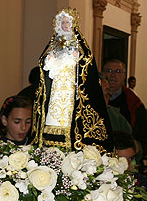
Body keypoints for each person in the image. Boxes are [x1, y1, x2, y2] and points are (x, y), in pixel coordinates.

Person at [31, 8, 113, 153]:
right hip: (57, 84)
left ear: (73, 24)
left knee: (69, 106)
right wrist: (50, 59)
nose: (65, 25)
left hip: (70, 84)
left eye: (68, 22)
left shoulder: (79, 46)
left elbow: (87, 63)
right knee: (54, 105)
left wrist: (77, 57)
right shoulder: (54, 45)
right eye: (63, 22)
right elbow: (44, 64)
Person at [101, 59, 147, 157]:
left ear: (124, 76)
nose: (113, 75)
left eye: (118, 71)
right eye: (109, 71)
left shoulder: (134, 103)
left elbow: (143, 138)